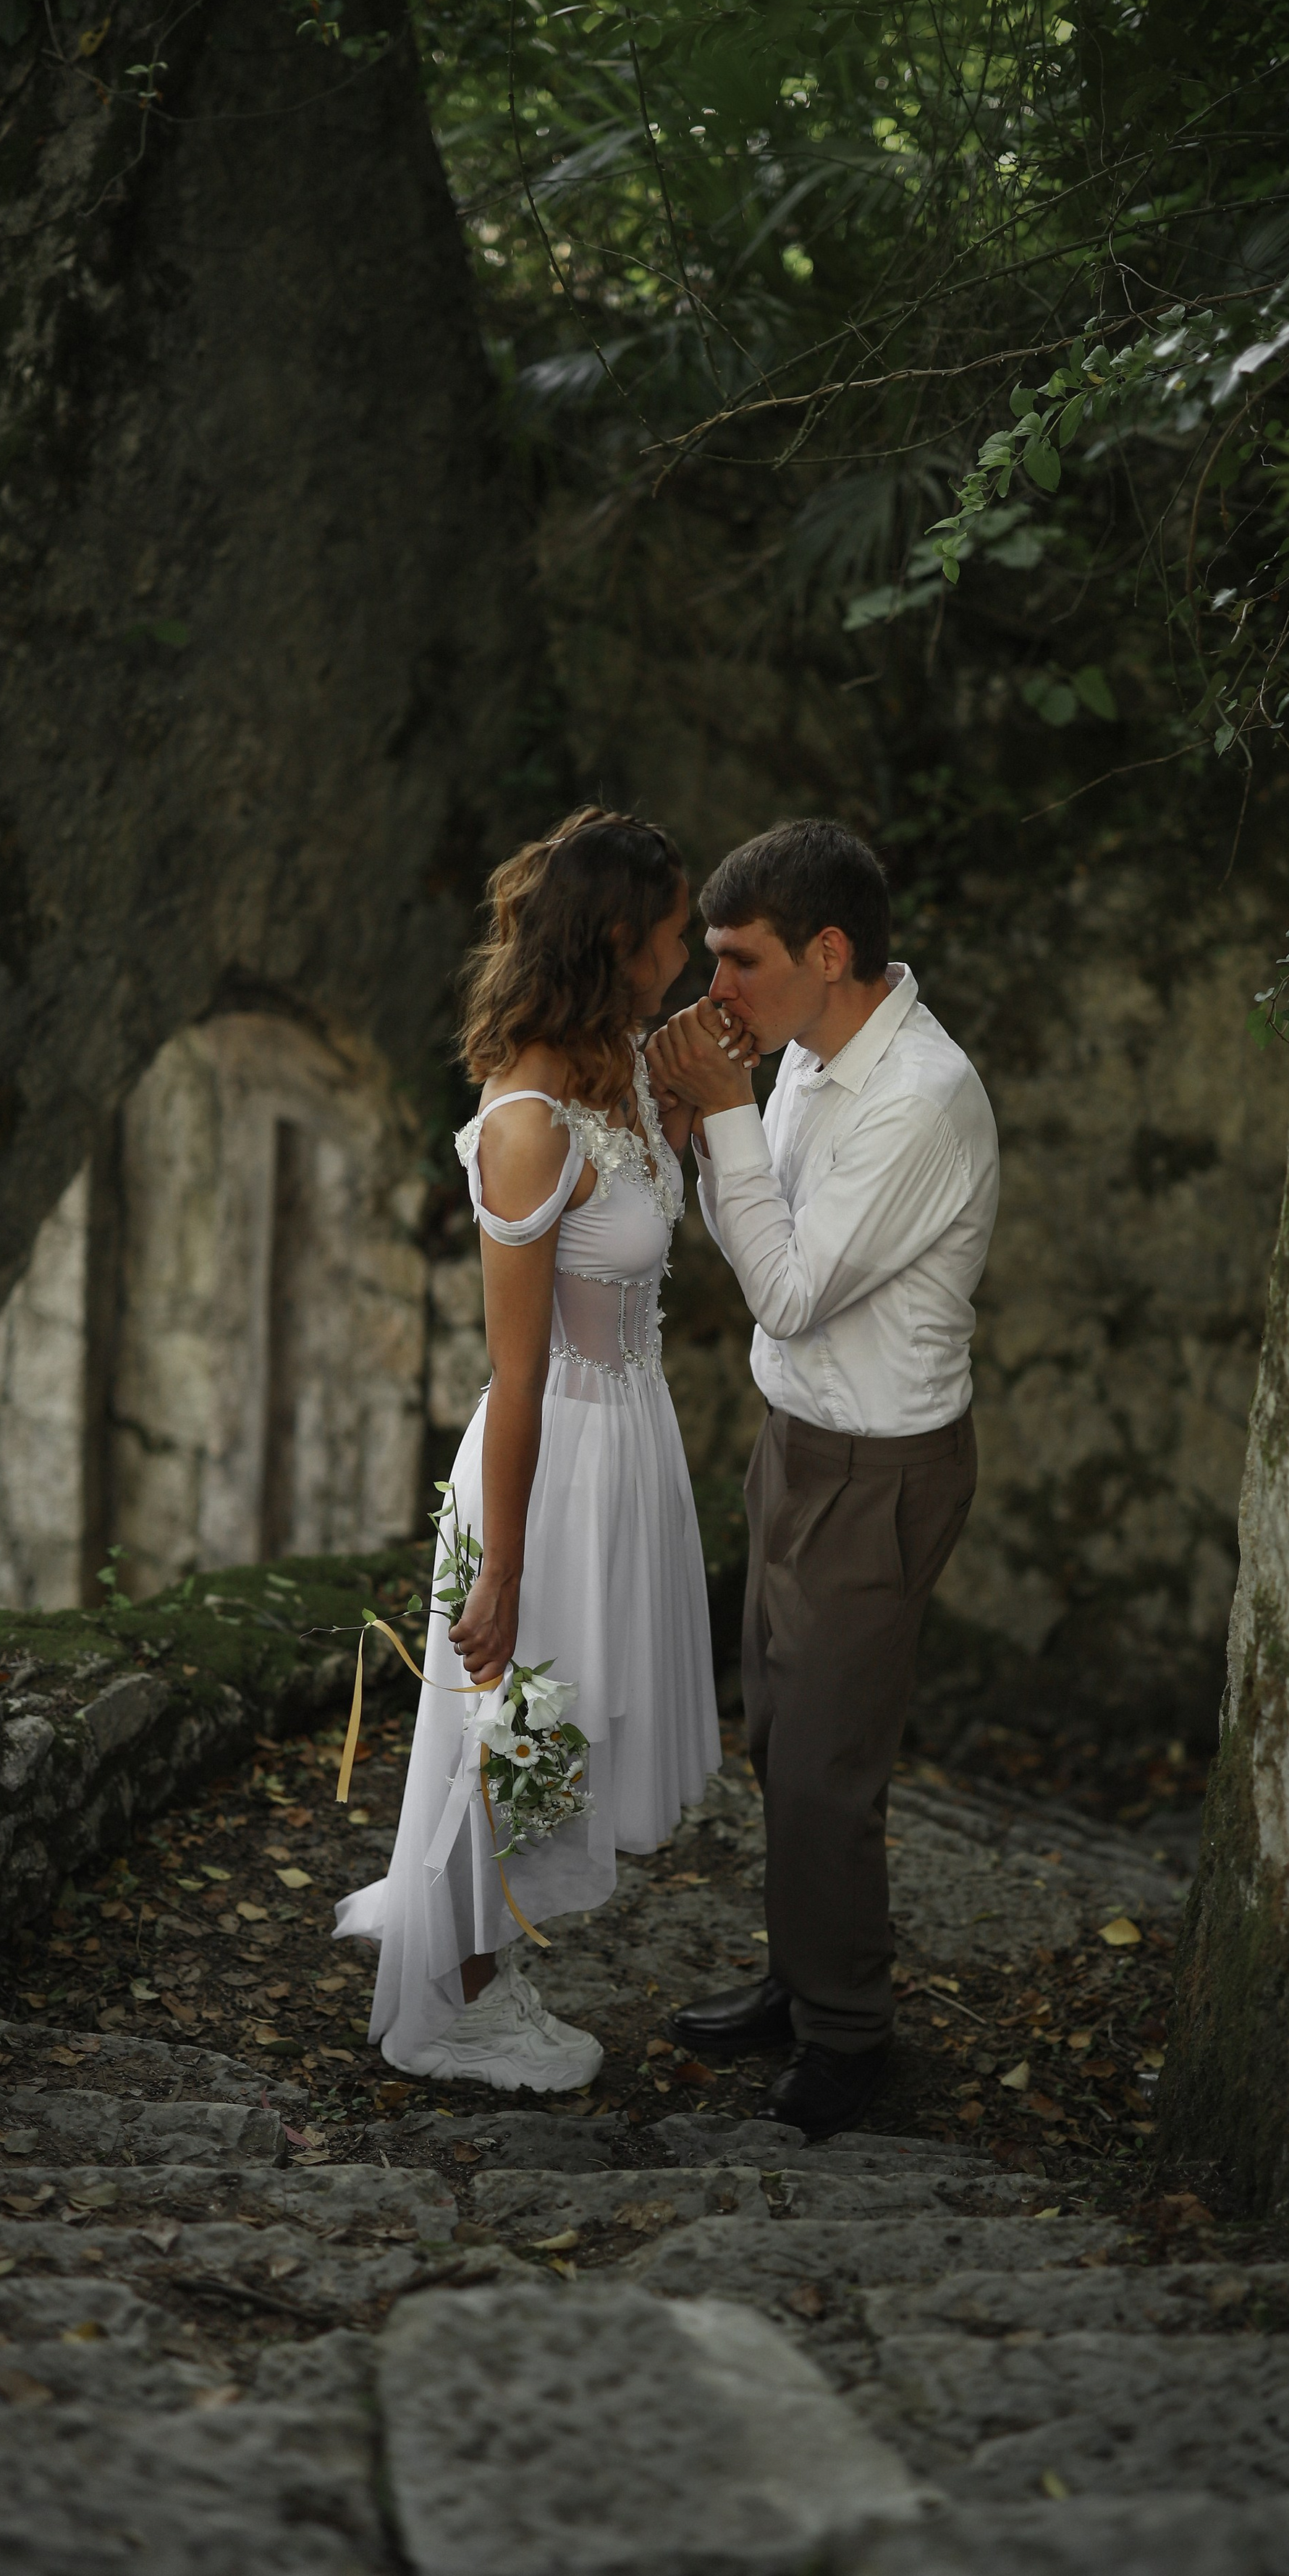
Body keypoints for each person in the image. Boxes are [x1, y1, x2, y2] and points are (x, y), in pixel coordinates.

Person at [334, 808, 720, 2088]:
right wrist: (498, 1566)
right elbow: (514, 1367)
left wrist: (690, 1102)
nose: (689, 957)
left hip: (628, 1448)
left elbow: (643, 1237)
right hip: (548, 1467)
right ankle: (455, 2004)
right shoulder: (528, 1121)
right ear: (619, 938)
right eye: (674, 934)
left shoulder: (611, 1073)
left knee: (556, 1740)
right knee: (515, 1727)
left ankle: (491, 1956)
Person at [647, 819, 999, 2140]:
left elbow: (786, 1288)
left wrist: (721, 1113)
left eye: (738, 961)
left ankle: (850, 2039)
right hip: (795, 1440)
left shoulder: (921, 1096)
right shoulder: (803, 1055)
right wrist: (711, 1124)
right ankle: (802, 1984)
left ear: (830, 951)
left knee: (828, 1771)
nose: (715, 990)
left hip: (883, 1465)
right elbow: (761, 1221)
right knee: (780, 1740)